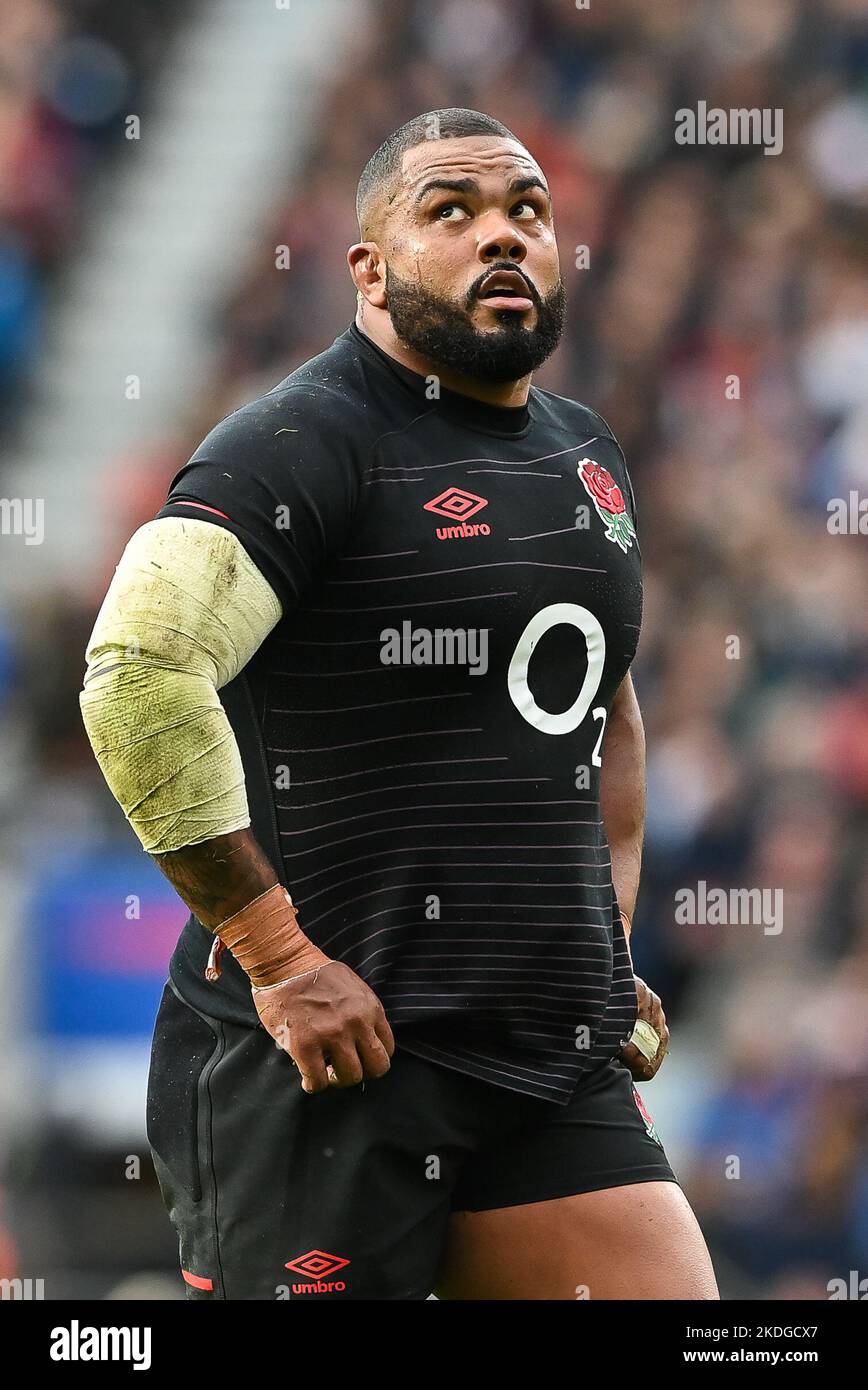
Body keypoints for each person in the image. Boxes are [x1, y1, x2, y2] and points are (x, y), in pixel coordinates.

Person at [80, 108, 718, 1300]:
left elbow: (604, 713)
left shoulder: (586, 456)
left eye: (526, 210)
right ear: (367, 267)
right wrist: (277, 959)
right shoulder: (292, 445)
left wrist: (603, 943)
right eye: (453, 211)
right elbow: (137, 676)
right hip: (324, 1063)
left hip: (542, 1058)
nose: (502, 236)